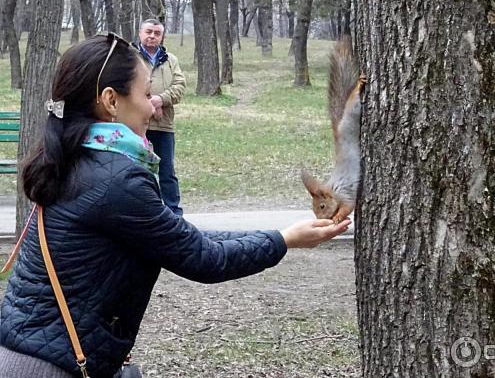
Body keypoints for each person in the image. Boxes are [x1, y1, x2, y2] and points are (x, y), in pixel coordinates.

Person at [0, 34, 350, 377]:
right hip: (47, 366)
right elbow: (202, 258)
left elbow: (183, 238)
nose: (153, 104)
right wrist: (284, 240)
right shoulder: (115, 179)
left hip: (29, 351)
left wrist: (281, 234)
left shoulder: (77, 156)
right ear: (111, 100)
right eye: (146, 93)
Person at [133, 19, 185, 216]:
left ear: (162, 36)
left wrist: (161, 100)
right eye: (148, 31)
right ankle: (142, 211)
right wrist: (148, 103)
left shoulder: (171, 60)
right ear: (140, 33)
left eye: (157, 33)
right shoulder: (130, 57)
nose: (152, 36)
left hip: (164, 124)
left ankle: (173, 213)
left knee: (167, 171)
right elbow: (123, 86)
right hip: (137, 124)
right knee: (137, 170)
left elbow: (180, 87)